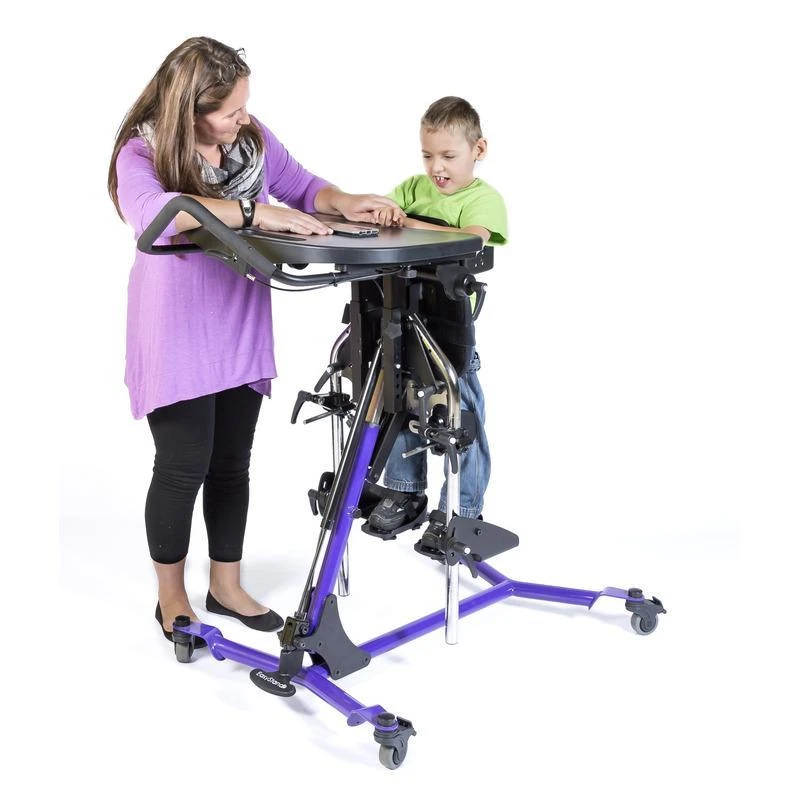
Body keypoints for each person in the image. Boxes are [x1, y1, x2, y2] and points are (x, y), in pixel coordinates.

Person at [107, 37, 403, 644]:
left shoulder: (250, 140)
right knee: (183, 464)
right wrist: (253, 211)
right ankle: (171, 597)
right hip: (176, 326)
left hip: (239, 320)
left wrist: (348, 202)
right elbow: (155, 213)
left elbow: (303, 187)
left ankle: (226, 584)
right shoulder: (142, 152)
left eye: (245, 105)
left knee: (231, 463)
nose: (244, 119)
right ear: (189, 110)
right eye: (230, 111)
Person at [368, 96, 507, 531]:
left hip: (450, 328)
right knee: (398, 402)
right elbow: (376, 216)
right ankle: (404, 492)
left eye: (448, 156)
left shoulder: (483, 199)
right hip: (402, 315)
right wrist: (384, 212)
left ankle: (462, 510)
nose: (436, 167)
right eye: (428, 155)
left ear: (478, 149)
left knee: (462, 416)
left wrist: (409, 224)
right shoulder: (413, 188)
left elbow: (470, 239)